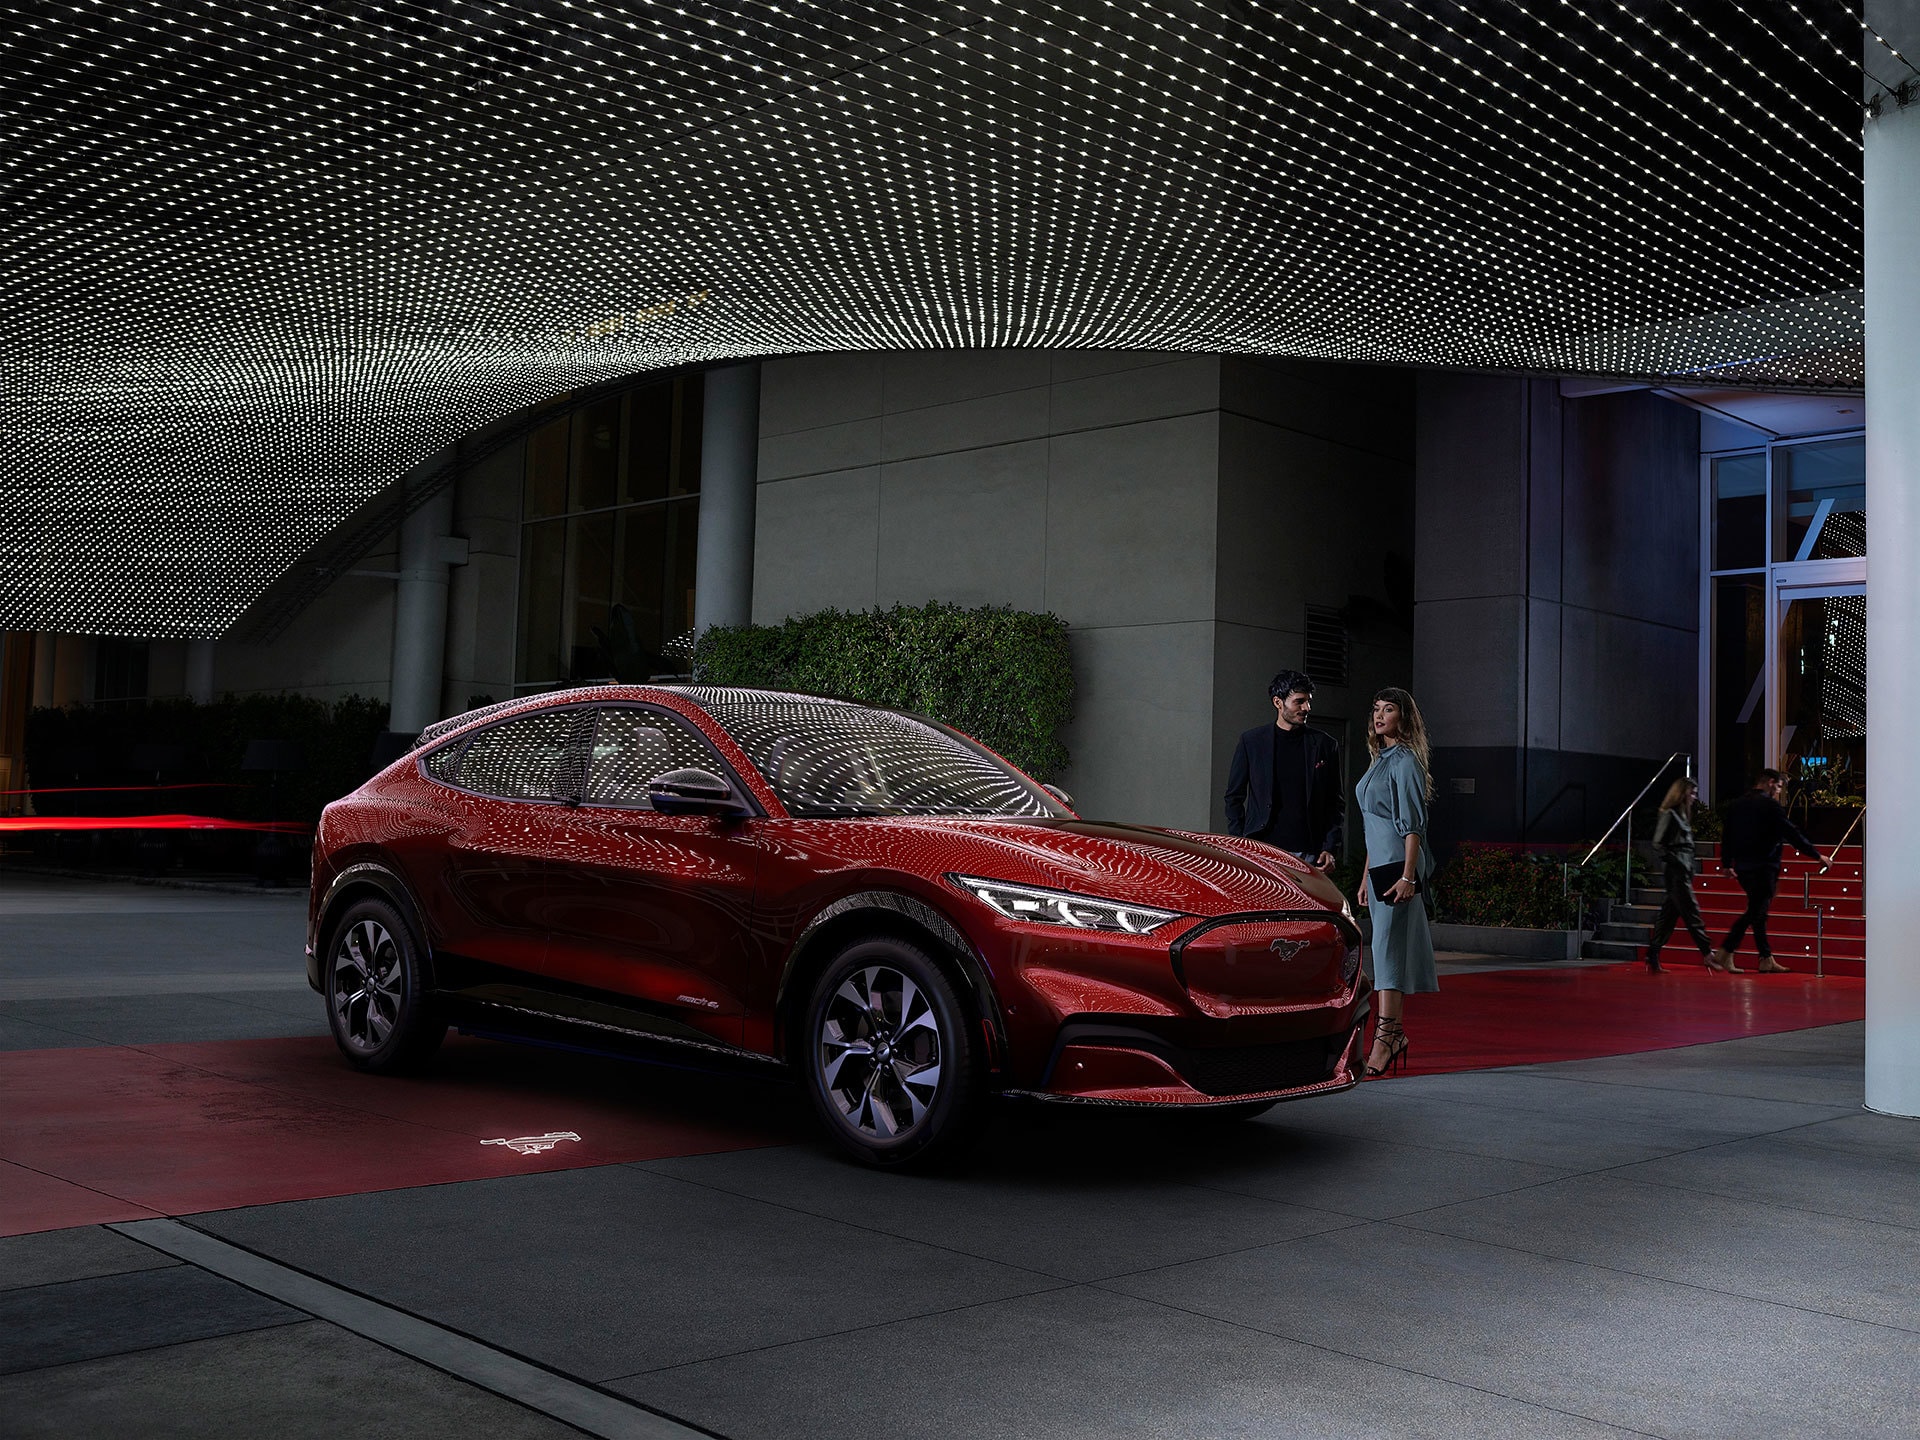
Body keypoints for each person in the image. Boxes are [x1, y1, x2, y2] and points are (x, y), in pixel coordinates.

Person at [1355, 687, 1436, 1076]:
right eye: (1376, 708)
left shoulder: (1404, 762)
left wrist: (1408, 876)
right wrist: (1363, 876)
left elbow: (1412, 828)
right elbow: (1376, 825)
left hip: (1397, 872)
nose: (1379, 715)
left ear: (1403, 717)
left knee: (1389, 954)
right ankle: (1392, 1035)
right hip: (1379, 870)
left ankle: (1385, 1039)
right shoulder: (1379, 759)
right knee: (1384, 952)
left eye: (1388, 709)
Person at [1223, 669, 1343, 869]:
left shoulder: (1325, 744)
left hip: (1308, 852)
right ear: (1278, 702)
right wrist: (1239, 843)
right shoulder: (1251, 742)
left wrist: (1330, 847)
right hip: (1261, 850)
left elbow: (1335, 803)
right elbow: (1234, 796)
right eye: (1299, 701)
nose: (1307, 708)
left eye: (1308, 701)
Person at [1711, 768, 1821, 974]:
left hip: (1743, 867)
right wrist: (1816, 855)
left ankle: (1765, 958)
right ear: (1771, 782)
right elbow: (1791, 832)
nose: (1779, 792)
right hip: (1764, 867)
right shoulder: (1770, 805)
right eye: (1779, 787)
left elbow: (1727, 835)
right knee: (1755, 911)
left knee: (1758, 911)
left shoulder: (1738, 804)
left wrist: (1726, 863)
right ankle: (1726, 951)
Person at [1643, 776, 1711, 973]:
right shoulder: (1670, 814)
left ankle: (1652, 955)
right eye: (1692, 793)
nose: (1695, 798)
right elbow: (1658, 843)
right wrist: (1676, 861)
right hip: (1677, 873)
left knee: (1669, 916)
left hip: (1683, 871)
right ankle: (1707, 953)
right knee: (1691, 912)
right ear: (1682, 793)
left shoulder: (1681, 815)